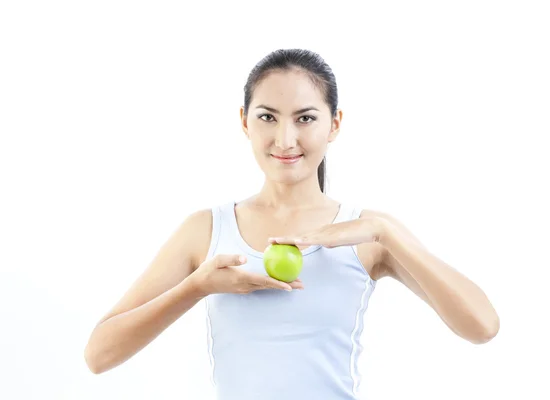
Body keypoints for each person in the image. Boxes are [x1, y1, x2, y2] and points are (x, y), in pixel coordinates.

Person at [84, 48, 500, 399]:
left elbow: (482, 327)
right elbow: (99, 355)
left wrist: (384, 233)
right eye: (268, 117)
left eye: (305, 118)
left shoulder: (368, 231)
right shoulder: (206, 229)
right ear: (244, 121)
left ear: (334, 124)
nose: (285, 140)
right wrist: (198, 286)